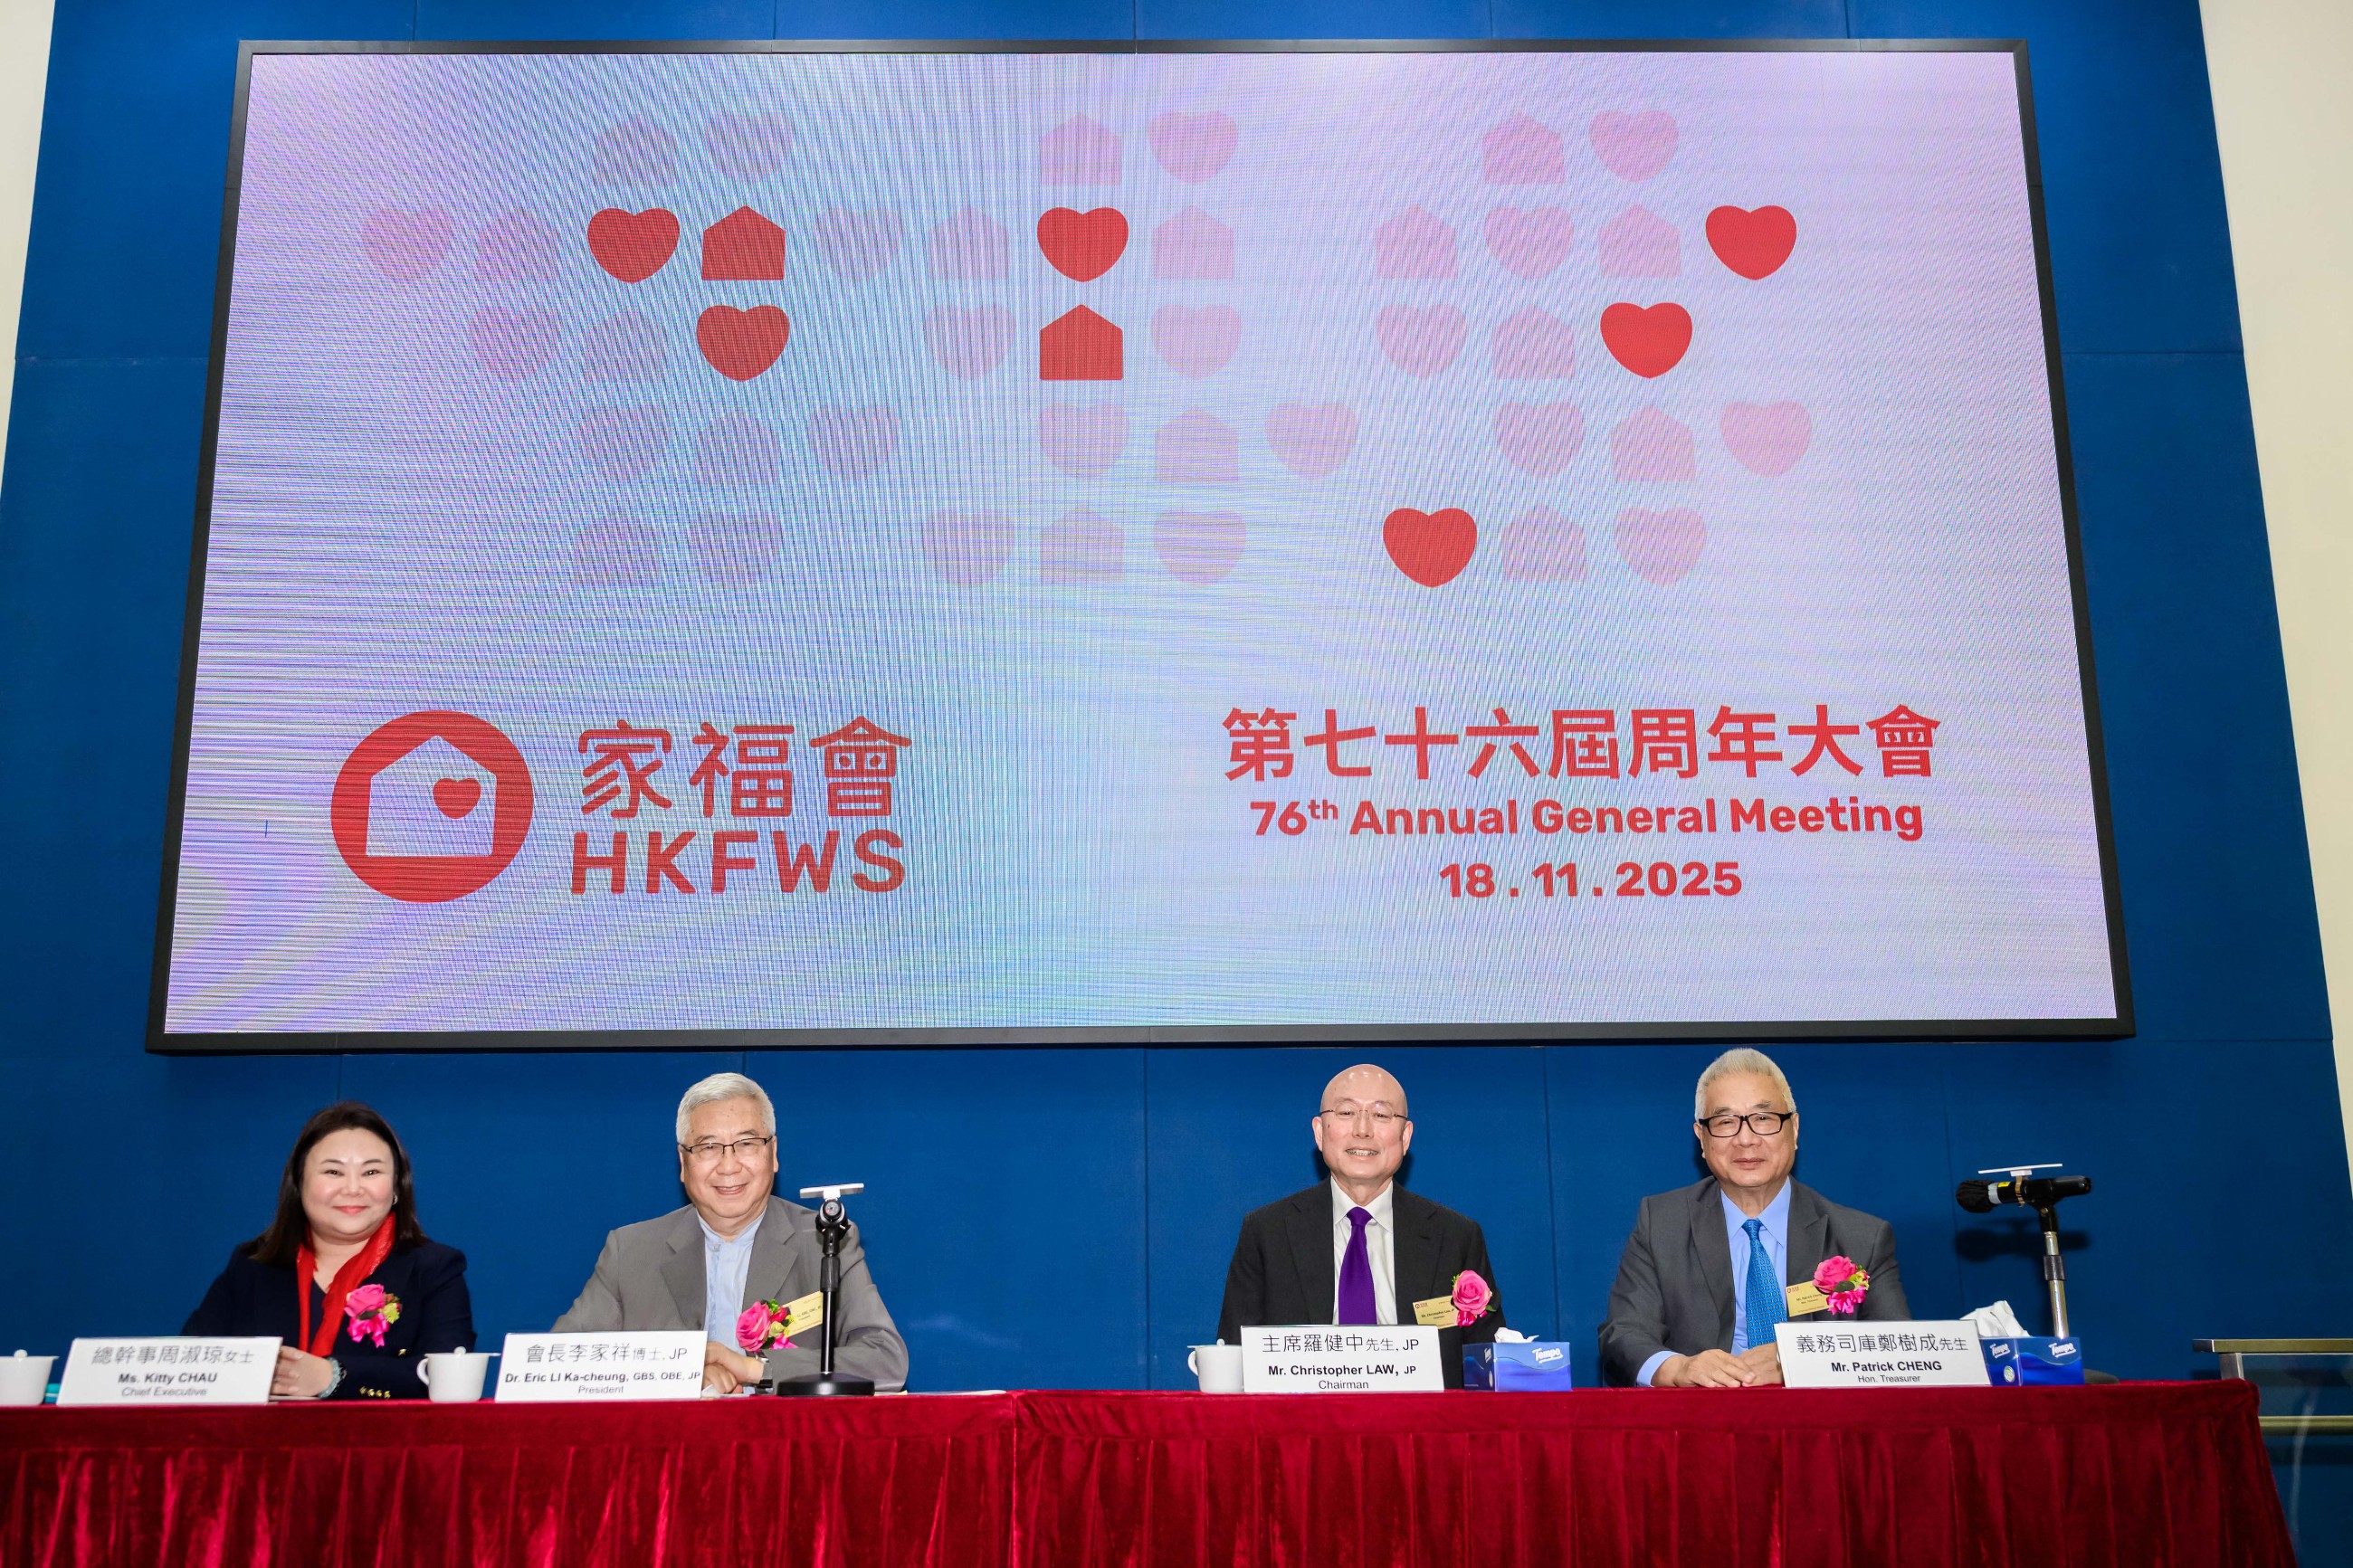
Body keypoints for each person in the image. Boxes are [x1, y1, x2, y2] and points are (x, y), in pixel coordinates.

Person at [554, 1071, 909, 1393]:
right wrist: (679, 1374)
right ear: (683, 1163)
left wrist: (758, 1369)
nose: (728, 1166)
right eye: (708, 1147)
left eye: (747, 1143)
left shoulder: (824, 1241)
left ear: (773, 1154)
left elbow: (885, 1361)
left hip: (780, 1439)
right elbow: (559, 1364)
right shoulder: (630, 1251)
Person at [1599, 1048, 1910, 1388]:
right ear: (1702, 1138)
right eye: (1725, 1122)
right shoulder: (1662, 1224)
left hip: (1820, 1414)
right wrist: (1678, 1369)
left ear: (1794, 1128)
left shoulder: (1861, 1238)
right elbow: (1624, 1333)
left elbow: (1896, 1347)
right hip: (1702, 1413)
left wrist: (1797, 1361)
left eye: (1763, 1118)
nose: (1746, 1139)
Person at [1216, 1063, 1505, 1388]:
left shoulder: (1456, 1238)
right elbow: (1234, 1364)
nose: (1363, 1130)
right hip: (1304, 1418)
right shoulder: (1267, 1233)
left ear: (1405, 1136)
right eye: (1346, 1113)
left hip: (1421, 1418)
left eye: (1381, 1115)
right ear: (1319, 1132)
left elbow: (1488, 1370)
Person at [184, 1102, 473, 1400]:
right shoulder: (252, 1266)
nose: (352, 1188)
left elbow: (451, 1377)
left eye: (371, 1171)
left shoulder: (434, 1268)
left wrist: (333, 1375)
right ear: (299, 1184)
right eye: (333, 1172)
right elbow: (190, 1366)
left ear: (397, 1187)